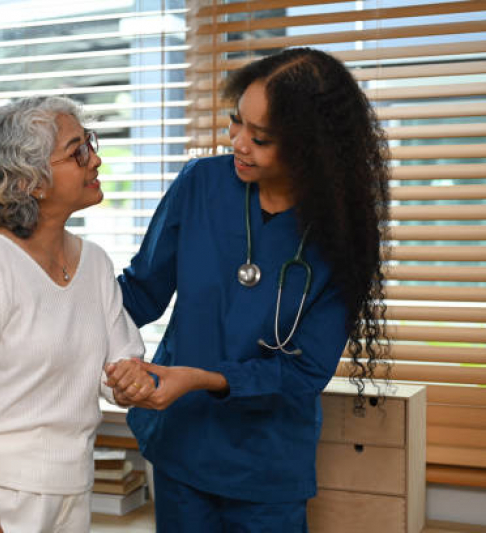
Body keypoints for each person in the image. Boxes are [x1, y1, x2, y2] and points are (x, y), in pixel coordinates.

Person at [104, 47, 391, 532]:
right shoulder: (201, 185)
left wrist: (197, 378)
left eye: (260, 138)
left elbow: (304, 372)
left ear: (310, 147)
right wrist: (59, 291)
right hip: (182, 446)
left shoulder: (343, 237)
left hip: (267, 467)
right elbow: (140, 292)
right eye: (236, 123)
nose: (238, 143)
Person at [0, 96, 144, 533]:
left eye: (91, 144)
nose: (95, 159)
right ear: (32, 182)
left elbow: (117, 366)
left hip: (74, 490)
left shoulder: (96, 263)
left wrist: (128, 378)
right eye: (77, 151)